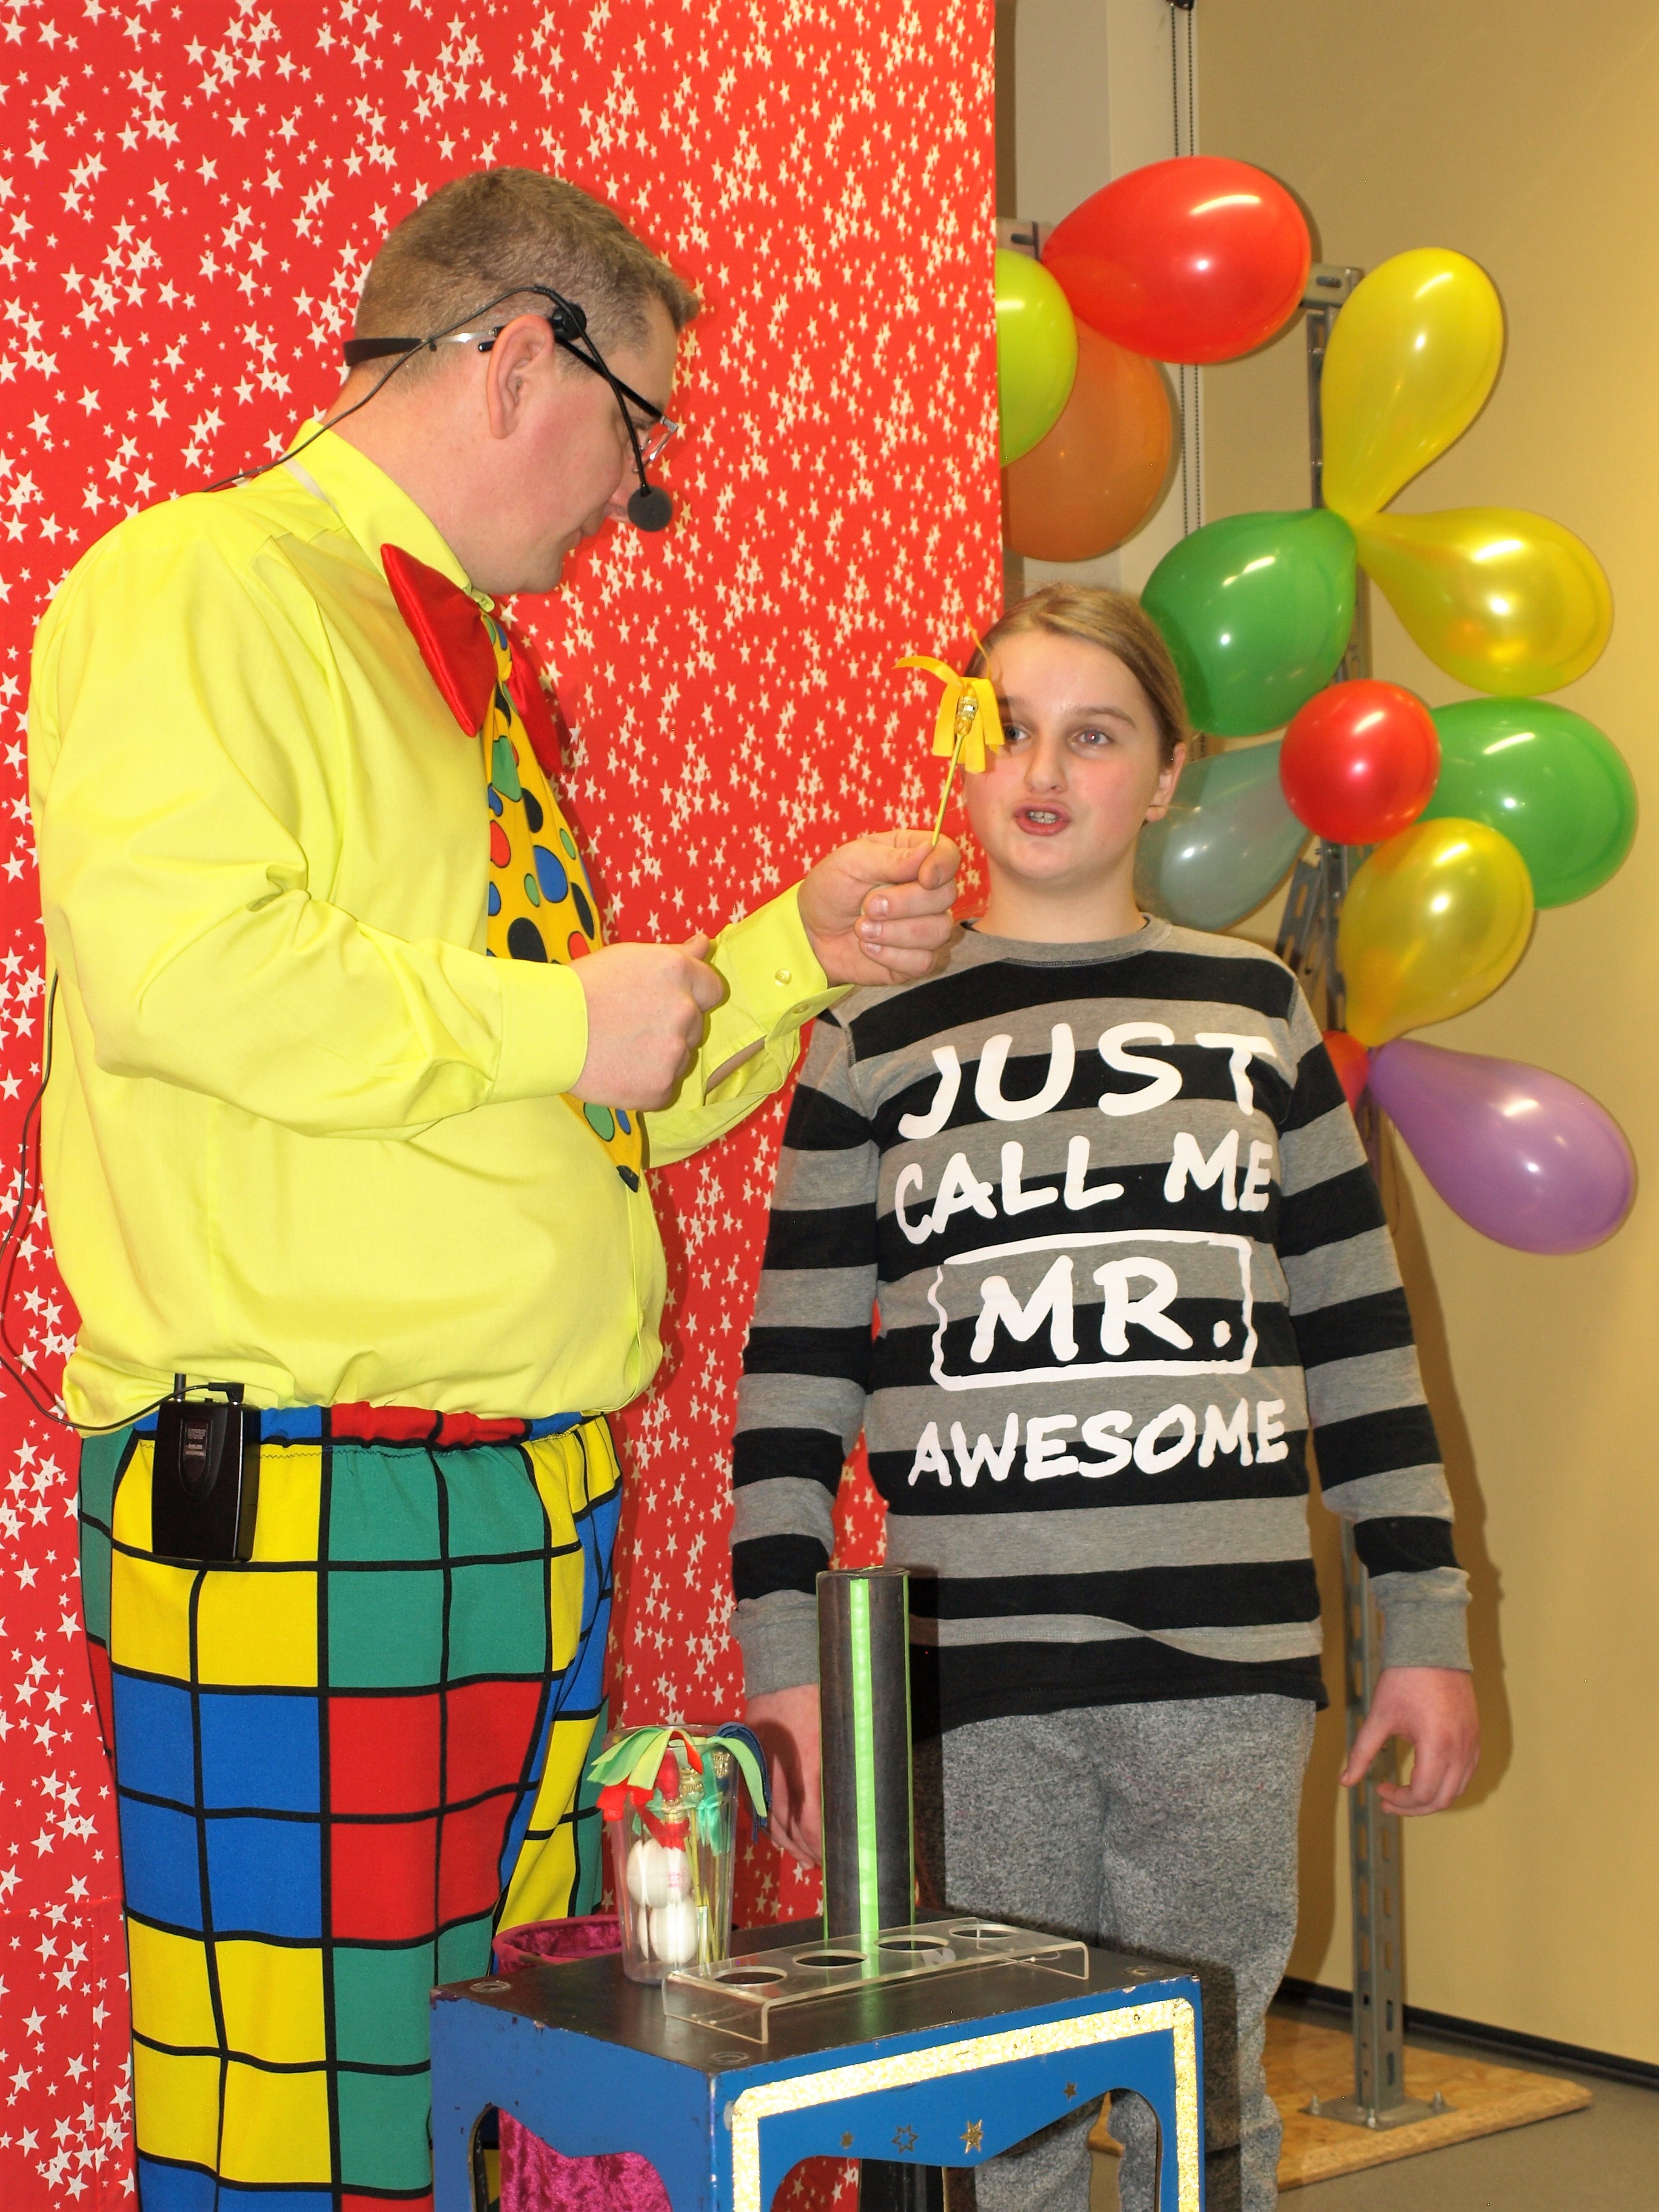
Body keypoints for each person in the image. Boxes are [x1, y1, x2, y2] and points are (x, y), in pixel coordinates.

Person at [28, 167, 962, 2212]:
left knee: (487, 2104)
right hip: (315, 1497)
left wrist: (790, 954)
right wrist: (561, 1024)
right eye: (644, 434)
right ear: (520, 356)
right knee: (324, 2124)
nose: (640, 497)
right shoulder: (201, 586)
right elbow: (182, 978)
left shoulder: (454, 665)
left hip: (516, 1503)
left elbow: (563, 1098)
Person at [729, 584, 1479, 2212]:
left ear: (1168, 773)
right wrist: (785, 1663)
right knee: (1011, 2119)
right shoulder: (868, 1036)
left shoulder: (1256, 1011)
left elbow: (1359, 1339)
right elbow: (790, 1382)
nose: (1043, 770)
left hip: (1227, 1664)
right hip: (976, 1671)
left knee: (1207, 2107)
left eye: (1095, 733)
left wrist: (1424, 1624)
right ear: (958, 750)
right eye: (1006, 728)